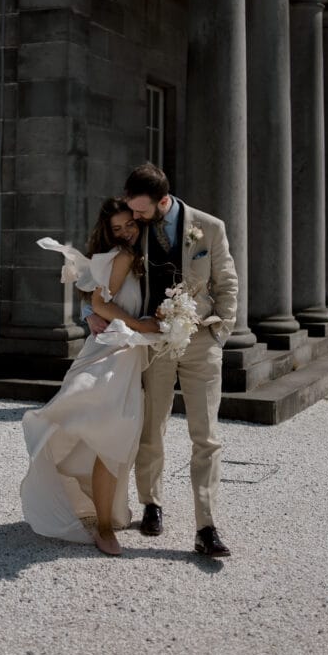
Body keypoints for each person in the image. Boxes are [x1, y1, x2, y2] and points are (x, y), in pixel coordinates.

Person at [86, 163, 237, 557]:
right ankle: (152, 504)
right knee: (151, 429)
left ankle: (206, 526)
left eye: (140, 210)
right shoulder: (135, 229)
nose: (132, 218)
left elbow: (227, 281)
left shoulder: (209, 227)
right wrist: (91, 312)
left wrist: (221, 333)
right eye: (132, 211)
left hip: (201, 339)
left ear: (163, 201)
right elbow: (99, 272)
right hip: (152, 342)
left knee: (205, 436)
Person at [20, 198, 160, 556]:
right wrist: (141, 324)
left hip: (124, 353)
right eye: (118, 228)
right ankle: (102, 527)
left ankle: (104, 515)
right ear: (108, 232)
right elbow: (99, 303)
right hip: (112, 353)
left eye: (130, 224)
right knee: (112, 439)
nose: (126, 231)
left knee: (113, 439)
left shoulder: (129, 255)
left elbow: (95, 300)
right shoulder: (124, 255)